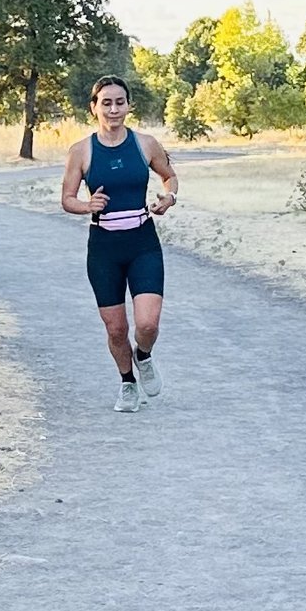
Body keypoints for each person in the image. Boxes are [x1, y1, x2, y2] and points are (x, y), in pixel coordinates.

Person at [59, 76, 179, 412]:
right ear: (94, 107)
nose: (114, 109)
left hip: (142, 241)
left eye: (120, 102)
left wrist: (168, 197)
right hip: (104, 248)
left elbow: (170, 176)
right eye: (106, 103)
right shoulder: (81, 151)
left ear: (128, 105)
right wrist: (87, 206)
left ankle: (143, 355)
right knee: (116, 328)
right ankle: (127, 383)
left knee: (147, 324)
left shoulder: (145, 144)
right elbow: (67, 199)